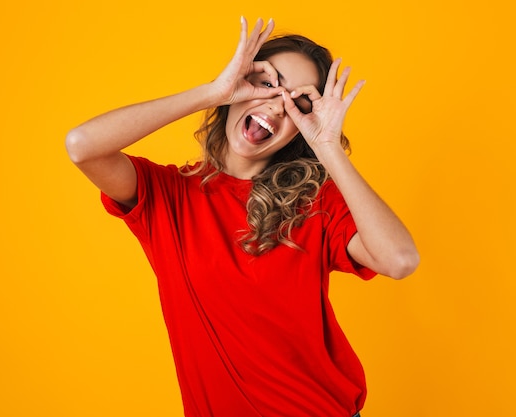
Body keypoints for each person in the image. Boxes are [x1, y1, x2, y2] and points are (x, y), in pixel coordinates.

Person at [66, 17, 419, 417]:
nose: (275, 104)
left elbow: (399, 259)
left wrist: (327, 146)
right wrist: (213, 91)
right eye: (268, 83)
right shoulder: (169, 197)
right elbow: (82, 145)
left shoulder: (316, 203)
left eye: (296, 101)